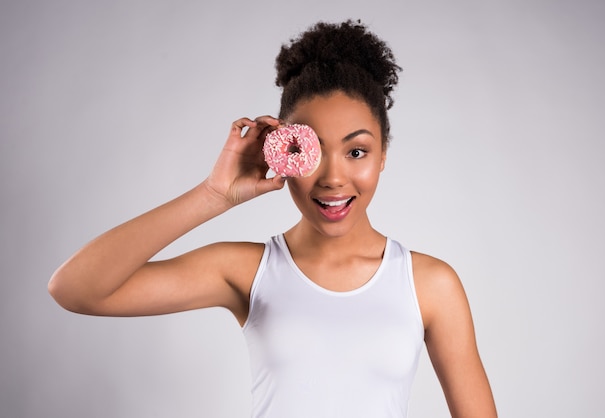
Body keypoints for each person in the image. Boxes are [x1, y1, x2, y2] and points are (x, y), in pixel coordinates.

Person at [49, 20, 497, 418]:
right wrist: (211, 196)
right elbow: (75, 289)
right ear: (281, 153)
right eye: (311, 151)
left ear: (383, 158)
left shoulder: (430, 284)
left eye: (357, 151)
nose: (334, 177)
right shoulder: (247, 271)